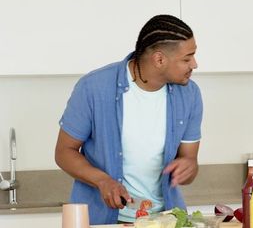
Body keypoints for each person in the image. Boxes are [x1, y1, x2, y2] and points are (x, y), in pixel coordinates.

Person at [55, 15, 202, 224]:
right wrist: (102, 181)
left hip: (165, 220)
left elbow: (189, 159)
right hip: (103, 219)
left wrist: (189, 165)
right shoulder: (94, 88)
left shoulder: (190, 95)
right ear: (159, 59)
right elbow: (64, 152)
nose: (194, 64)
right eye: (187, 58)